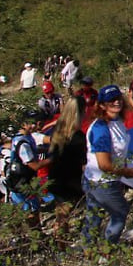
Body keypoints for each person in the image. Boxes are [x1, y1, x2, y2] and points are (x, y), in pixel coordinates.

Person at [83, 85, 133, 246]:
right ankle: (107, 249)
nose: (116, 102)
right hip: (102, 181)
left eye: (118, 98)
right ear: (101, 105)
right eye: (111, 101)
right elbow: (104, 164)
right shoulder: (101, 129)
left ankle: (86, 249)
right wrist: (127, 172)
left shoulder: (117, 121)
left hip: (102, 179)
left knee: (94, 215)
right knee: (120, 212)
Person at [45, 95, 87, 238]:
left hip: (56, 177)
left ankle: (60, 242)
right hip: (70, 181)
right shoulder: (78, 137)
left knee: (61, 214)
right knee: (65, 215)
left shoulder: (58, 130)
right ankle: (62, 244)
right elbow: (83, 163)